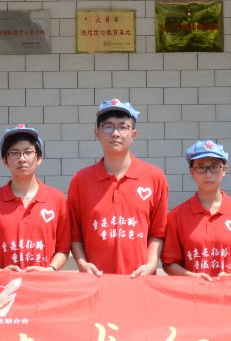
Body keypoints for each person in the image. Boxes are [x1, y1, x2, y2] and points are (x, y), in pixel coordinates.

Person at [67, 98, 169, 277]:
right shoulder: (81, 180)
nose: (115, 133)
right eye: (108, 127)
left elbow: (157, 232)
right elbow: (75, 234)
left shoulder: (154, 177)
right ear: (97, 133)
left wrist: (151, 264)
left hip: (139, 279)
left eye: (123, 127)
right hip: (96, 280)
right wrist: (83, 264)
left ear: (133, 134)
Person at [0, 124, 71, 272]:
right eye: (14, 153)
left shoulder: (57, 199)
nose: (22, 158)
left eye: (28, 152)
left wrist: (50, 269)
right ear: (5, 160)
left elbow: (63, 249)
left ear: (39, 158)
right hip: (5, 284)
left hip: (44, 284)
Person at [162, 139, 231, 278]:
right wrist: (193, 277)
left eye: (214, 167)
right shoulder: (177, 216)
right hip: (193, 290)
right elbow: (169, 263)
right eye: (201, 167)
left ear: (224, 170)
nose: (208, 174)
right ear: (192, 171)